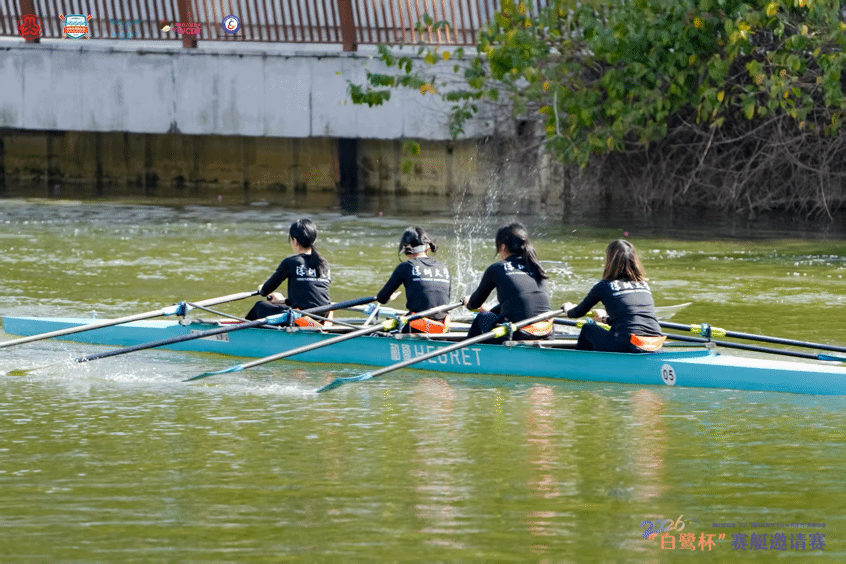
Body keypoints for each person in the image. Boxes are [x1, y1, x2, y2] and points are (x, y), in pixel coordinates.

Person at [564, 239, 665, 353]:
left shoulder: (604, 285)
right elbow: (633, 316)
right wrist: (605, 319)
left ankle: (580, 362)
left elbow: (577, 313)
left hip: (629, 345)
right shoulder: (643, 285)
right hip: (656, 345)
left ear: (610, 260)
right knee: (616, 332)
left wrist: (568, 309)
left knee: (588, 328)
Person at [463, 223, 551, 344]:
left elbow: (474, 304)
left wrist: (468, 302)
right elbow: (520, 302)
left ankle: (468, 352)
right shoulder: (538, 268)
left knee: (483, 317)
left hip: (517, 333)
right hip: (546, 332)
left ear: (503, 247)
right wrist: (492, 310)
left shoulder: (497, 268)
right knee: (492, 314)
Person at [245, 218, 331, 327]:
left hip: (302, 320)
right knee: (284, 310)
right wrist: (284, 301)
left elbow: (265, 290)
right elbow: (311, 296)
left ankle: (240, 332)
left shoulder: (291, 262)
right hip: (322, 319)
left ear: (295, 241)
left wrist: (262, 289)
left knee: (260, 306)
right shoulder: (324, 264)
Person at [376, 227, 451, 333]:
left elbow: (381, 298)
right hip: (442, 329)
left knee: (378, 331)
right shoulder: (443, 267)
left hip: (418, 328)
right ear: (428, 248)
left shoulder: (406, 267)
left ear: (406, 251)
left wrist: (389, 297)